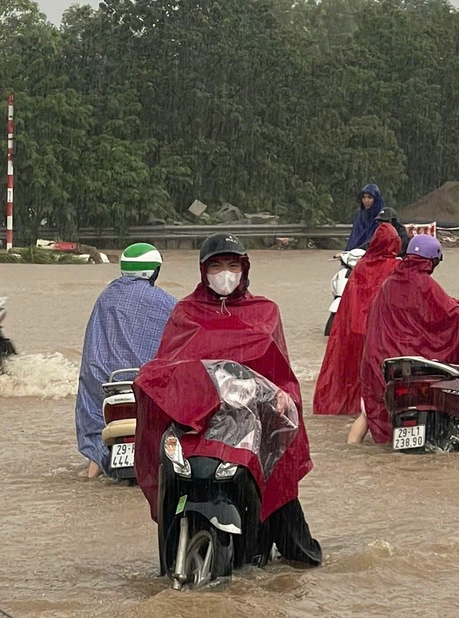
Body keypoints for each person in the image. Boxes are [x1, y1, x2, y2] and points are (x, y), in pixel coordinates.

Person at [133, 233, 321, 567]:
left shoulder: (264, 312)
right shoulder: (185, 313)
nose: (225, 273)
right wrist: (153, 380)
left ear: (244, 269)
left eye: (232, 265)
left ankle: (292, 552)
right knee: (170, 476)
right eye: (217, 265)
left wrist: (282, 397)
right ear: (203, 271)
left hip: (248, 424)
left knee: (280, 492)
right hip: (195, 425)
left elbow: (281, 373)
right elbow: (169, 364)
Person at [349, 234, 459, 444]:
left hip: (384, 362)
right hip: (417, 361)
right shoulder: (424, 284)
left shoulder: (389, 284)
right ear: (433, 260)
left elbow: (440, 306)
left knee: (367, 412)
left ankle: (351, 454)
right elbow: (449, 314)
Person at [74, 243, 177, 479]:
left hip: (107, 385)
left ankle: (95, 462)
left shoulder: (106, 297)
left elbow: (93, 348)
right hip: (148, 385)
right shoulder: (167, 303)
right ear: (154, 271)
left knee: (92, 406)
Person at [313, 223, 402, 416]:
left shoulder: (361, 266)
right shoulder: (396, 266)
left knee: (353, 376)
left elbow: (350, 304)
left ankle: (352, 408)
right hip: (380, 334)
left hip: (354, 332)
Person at [344, 183, 385, 251]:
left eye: (369, 197)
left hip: (374, 252)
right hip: (356, 251)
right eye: (364, 197)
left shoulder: (382, 215)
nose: (366, 201)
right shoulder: (359, 214)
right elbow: (354, 236)